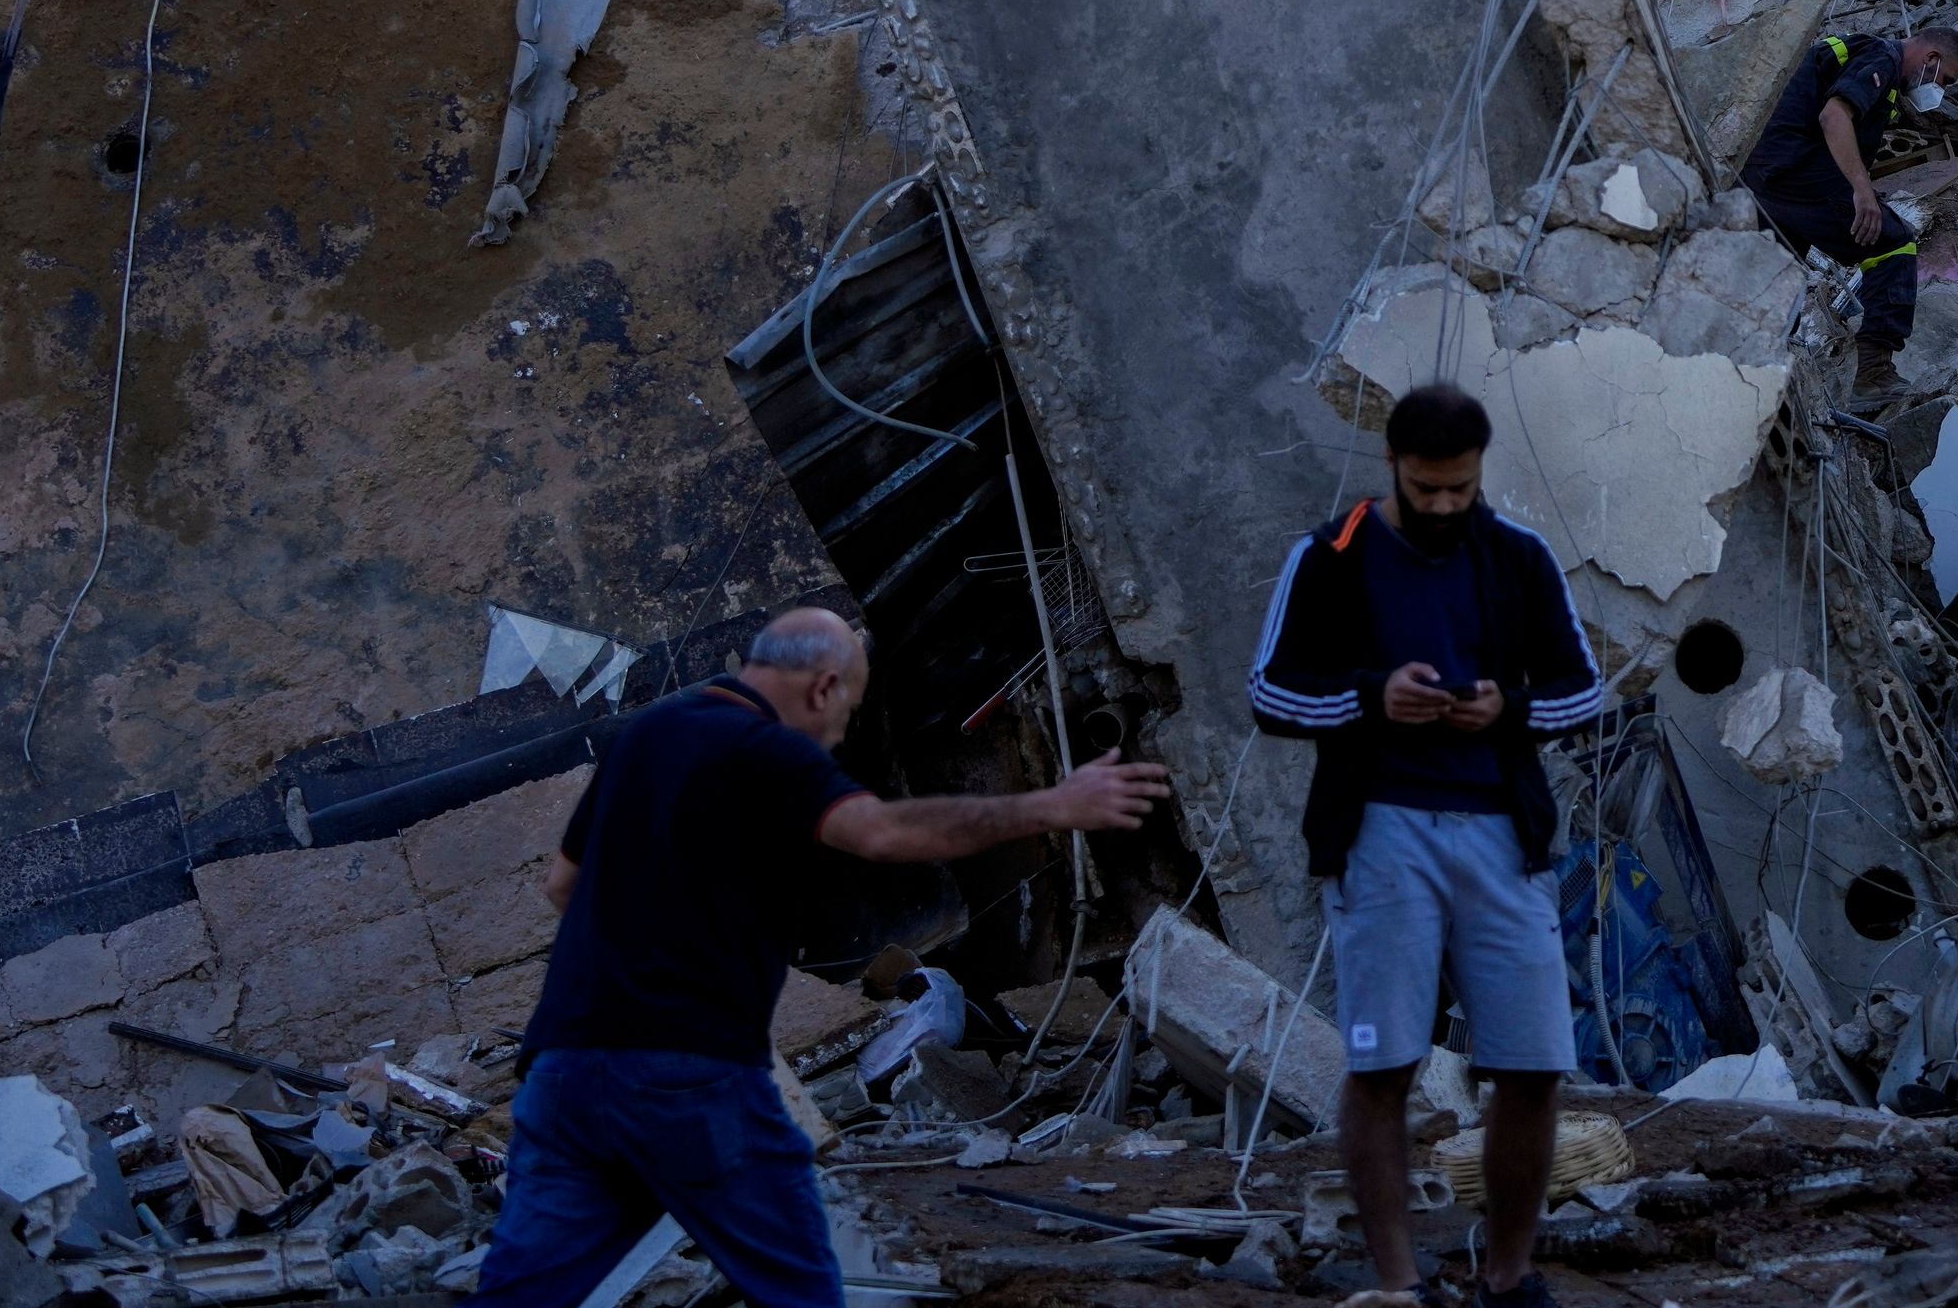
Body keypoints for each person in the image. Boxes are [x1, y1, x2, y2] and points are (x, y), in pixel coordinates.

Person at [467, 611, 1170, 1308]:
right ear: (824, 687)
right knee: (798, 1285)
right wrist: (1051, 806)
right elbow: (881, 833)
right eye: (848, 712)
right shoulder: (769, 749)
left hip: (564, 1067)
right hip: (687, 1070)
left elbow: (563, 885)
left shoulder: (646, 734)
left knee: (525, 1293)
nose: (839, 734)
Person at [1246, 386, 1603, 1308]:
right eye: (1426, 489)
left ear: (1479, 475)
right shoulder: (1328, 555)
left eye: (1460, 490)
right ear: (1393, 469)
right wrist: (1374, 696)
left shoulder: (1519, 557)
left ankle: (1509, 1274)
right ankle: (1399, 1284)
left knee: (1531, 1065)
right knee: (1383, 1064)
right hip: (1381, 834)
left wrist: (1506, 708)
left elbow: (1583, 691)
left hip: (1500, 837)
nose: (1444, 507)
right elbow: (1269, 694)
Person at [1738, 27, 1958, 406]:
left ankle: (1756, 375)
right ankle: (1874, 377)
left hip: (1766, 177)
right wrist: (1862, 192)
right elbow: (1834, 117)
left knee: (1778, 276)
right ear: (1931, 58)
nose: (1940, 88)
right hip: (1798, 170)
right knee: (1893, 242)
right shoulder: (1882, 57)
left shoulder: (1873, 61)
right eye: (1946, 78)